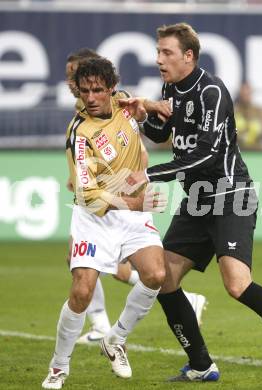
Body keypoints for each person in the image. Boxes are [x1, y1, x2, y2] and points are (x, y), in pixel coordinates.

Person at [120, 23, 262, 386]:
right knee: (163, 279)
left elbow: (207, 155)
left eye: (166, 52)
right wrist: (138, 116)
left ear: (189, 56)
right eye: (158, 52)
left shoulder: (212, 91)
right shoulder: (172, 88)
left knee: (237, 284)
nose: (158, 59)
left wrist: (150, 175)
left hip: (231, 196)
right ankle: (201, 365)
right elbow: (160, 133)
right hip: (197, 201)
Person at [64, 49, 208, 345]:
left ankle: (109, 328)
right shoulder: (88, 114)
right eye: (71, 77)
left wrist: (152, 107)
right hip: (109, 199)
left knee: (138, 270)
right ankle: (103, 326)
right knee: (84, 262)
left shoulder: (111, 104)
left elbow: (135, 125)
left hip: (123, 200)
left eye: (73, 74)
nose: (71, 82)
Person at [42, 57, 166, 389]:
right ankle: (59, 366)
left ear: (111, 88)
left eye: (98, 90)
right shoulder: (80, 134)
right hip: (95, 216)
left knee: (156, 274)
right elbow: (89, 197)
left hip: (132, 212)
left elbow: (137, 109)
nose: (92, 97)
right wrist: (139, 201)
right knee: (82, 291)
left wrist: (152, 105)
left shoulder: (122, 101)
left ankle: (115, 339)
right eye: (85, 92)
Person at [234, 82, 262, 150]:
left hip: (257, 150)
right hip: (238, 150)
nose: (246, 96)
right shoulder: (233, 112)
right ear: (240, 94)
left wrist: (257, 130)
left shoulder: (260, 111)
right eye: (243, 94)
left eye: (248, 94)